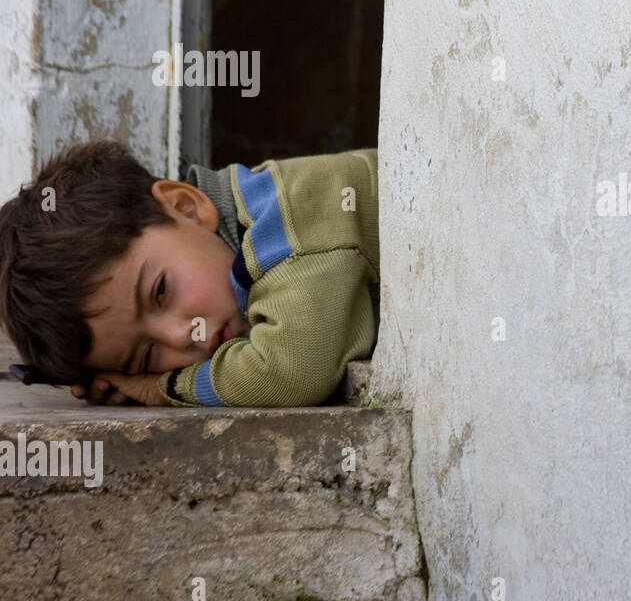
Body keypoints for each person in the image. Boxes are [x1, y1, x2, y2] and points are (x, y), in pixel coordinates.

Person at [0, 140, 380, 407]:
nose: (183, 335)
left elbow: (290, 369)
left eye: (161, 292)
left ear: (186, 207)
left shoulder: (288, 220)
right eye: (147, 356)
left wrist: (161, 386)